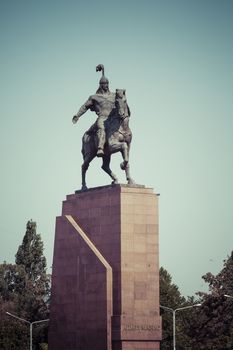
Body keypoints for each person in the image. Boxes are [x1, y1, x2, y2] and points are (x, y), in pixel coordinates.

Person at [72, 65, 116, 157]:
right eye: (104, 84)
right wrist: (77, 115)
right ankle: (100, 147)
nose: (106, 85)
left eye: (107, 83)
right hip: (102, 118)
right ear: (100, 85)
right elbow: (85, 106)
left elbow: (121, 104)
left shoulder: (114, 95)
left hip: (112, 119)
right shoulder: (94, 97)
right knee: (101, 127)